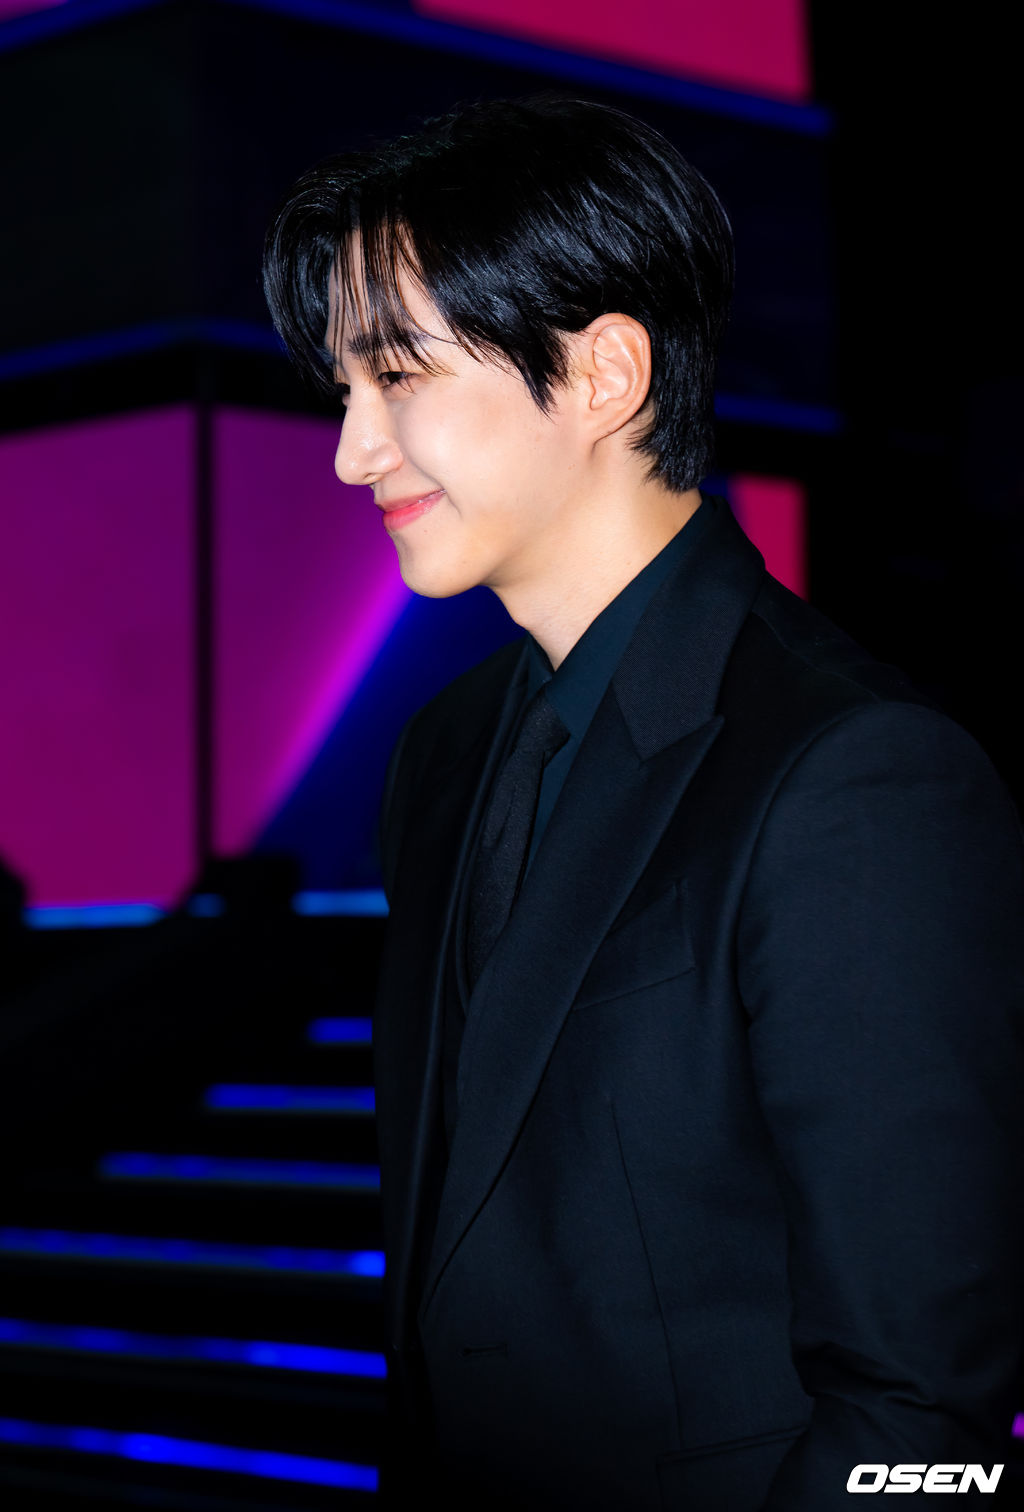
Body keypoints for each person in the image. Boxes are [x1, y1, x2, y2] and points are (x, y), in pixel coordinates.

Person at [263, 95, 1024, 1510]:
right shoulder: (444, 753)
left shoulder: (855, 774)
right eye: (346, 388)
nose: (353, 449)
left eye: (401, 375)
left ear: (605, 372)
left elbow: (930, 1415)